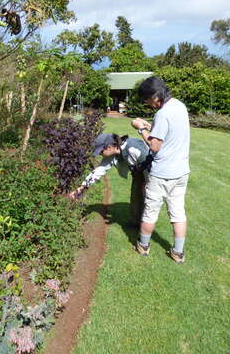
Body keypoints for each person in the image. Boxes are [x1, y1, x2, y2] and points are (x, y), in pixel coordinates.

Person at [131, 76, 190, 263]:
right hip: (181, 172)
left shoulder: (162, 114)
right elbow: (172, 132)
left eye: (147, 100)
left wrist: (141, 128)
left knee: (150, 212)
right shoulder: (180, 106)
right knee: (178, 213)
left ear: (155, 96)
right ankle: (178, 252)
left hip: (162, 173)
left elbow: (155, 146)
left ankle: (143, 246)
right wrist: (150, 126)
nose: (148, 104)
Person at [68, 133, 152, 225]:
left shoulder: (132, 148)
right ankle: (136, 222)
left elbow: (150, 165)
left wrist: (148, 184)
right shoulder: (113, 153)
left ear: (109, 147)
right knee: (135, 194)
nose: (100, 154)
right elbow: (99, 170)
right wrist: (81, 188)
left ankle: (146, 227)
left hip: (151, 169)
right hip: (138, 170)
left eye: (100, 152)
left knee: (148, 196)